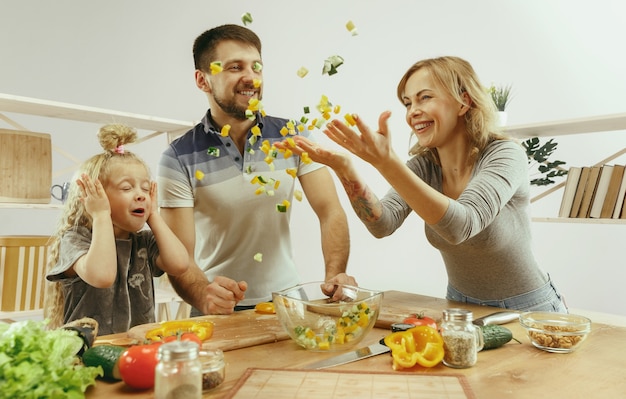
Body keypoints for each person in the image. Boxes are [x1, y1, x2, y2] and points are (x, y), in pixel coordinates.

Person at [281, 56, 568, 313]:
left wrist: (386, 162)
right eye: (407, 103)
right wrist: (345, 168)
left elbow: (461, 226)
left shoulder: (505, 155)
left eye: (424, 98)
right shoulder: (424, 166)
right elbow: (383, 223)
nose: (412, 111)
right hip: (459, 305)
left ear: (463, 102)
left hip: (529, 308)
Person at [157, 24, 356, 316]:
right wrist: (204, 297)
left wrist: (335, 274)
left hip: (288, 304)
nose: (250, 78)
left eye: (256, 67)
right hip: (217, 309)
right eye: (235, 67)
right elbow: (179, 256)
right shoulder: (178, 157)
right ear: (203, 80)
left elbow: (330, 211)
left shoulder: (294, 136)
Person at [45, 124, 189, 335]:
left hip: (136, 349)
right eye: (126, 188)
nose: (140, 195)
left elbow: (180, 264)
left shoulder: (143, 241)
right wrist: (101, 215)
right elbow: (103, 276)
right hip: (88, 353)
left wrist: (154, 216)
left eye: (145, 189)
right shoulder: (76, 239)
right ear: (96, 196)